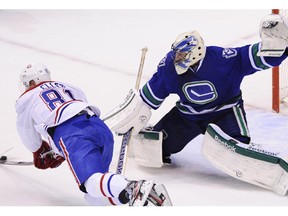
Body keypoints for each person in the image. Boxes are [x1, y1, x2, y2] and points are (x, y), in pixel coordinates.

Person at [108, 14, 288, 165]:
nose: (177, 58)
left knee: (237, 150)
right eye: (177, 53)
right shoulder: (169, 68)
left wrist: (277, 47)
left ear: (197, 52)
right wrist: (133, 115)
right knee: (156, 147)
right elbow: (148, 98)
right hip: (187, 116)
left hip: (225, 111)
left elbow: (251, 57)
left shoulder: (222, 60)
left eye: (182, 54)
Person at [15, 63, 167, 206]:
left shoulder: (26, 98)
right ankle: (142, 198)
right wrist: (61, 151)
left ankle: (136, 188)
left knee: (91, 182)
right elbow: (79, 102)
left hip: (72, 133)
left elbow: (26, 130)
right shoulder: (65, 86)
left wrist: (38, 150)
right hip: (98, 127)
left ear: (32, 82)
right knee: (95, 196)